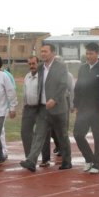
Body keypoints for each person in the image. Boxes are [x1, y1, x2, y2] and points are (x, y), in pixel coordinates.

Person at [20, 43, 72, 172]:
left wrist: (54, 99)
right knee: (39, 134)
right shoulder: (40, 68)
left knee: (62, 136)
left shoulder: (60, 67)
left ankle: (67, 161)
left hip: (58, 108)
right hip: (43, 108)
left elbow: (63, 85)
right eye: (41, 51)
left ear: (52, 53)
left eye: (45, 51)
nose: (43, 53)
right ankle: (31, 161)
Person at [73, 42, 99, 174]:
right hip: (83, 109)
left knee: (98, 137)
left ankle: (97, 163)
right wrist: (76, 104)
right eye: (87, 53)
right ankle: (89, 159)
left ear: (97, 54)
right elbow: (78, 87)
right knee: (78, 134)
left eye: (91, 53)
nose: (88, 56)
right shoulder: (82, 68)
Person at [0, 55, 15, 160]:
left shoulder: (6, 75)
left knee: (0, 129)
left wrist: (11, 107)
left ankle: (3, 151)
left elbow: (12, 91)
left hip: (4, 107)